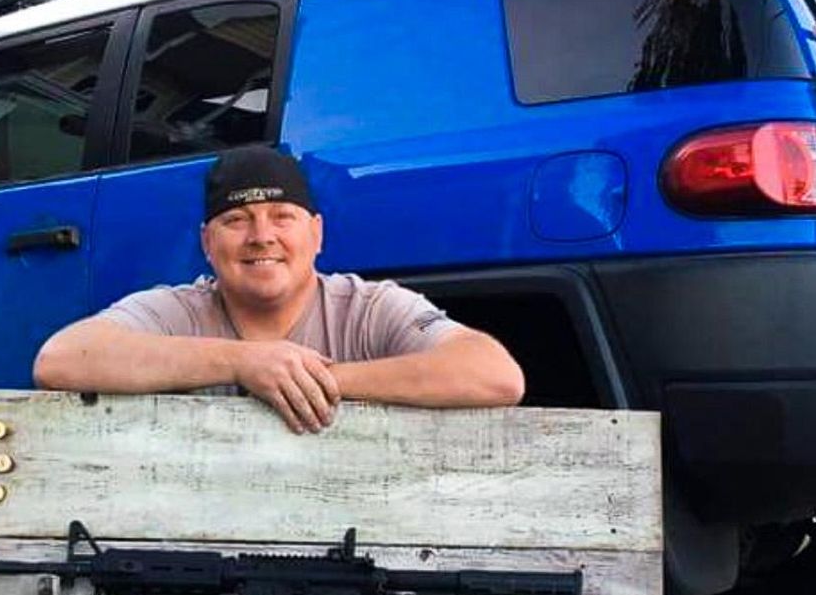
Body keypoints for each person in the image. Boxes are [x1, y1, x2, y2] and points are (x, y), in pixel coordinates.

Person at [34, 144, 524, 432]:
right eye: (236, 219)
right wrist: (243, 362)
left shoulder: (369, 306)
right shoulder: (175, 309)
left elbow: (495, 375)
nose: (261, 236)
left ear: (316, 233)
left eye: (282, 217)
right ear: (208, 242)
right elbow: (60, 360)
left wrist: (310, 380)